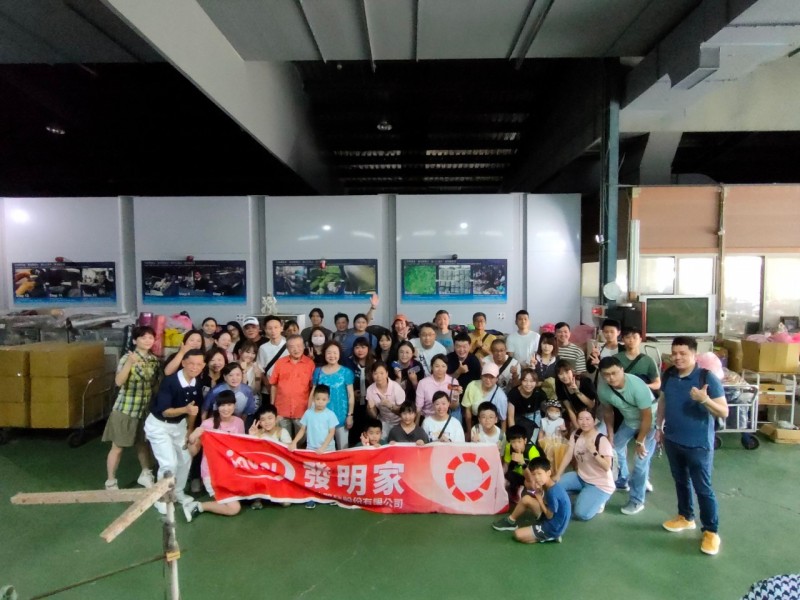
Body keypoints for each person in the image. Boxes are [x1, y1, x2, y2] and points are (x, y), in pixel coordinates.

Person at [656, 336, 727, 556]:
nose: (677, 357)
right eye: (674, 353)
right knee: (680, 481)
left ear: (694, 354)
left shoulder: (706, 377)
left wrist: (704, 400)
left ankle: (711, 531)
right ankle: (686, 516)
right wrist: (659, 427)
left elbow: (724, 411)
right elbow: (663, 401)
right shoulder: (669, 374)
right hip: (672, 439)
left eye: (683, 353)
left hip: (698, 445)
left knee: (703, 488)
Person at [143, 349, 205, 513]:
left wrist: (189, 430)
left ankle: (177, 492)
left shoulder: (197, 383)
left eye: (199, 364)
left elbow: (193, 410)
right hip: (159, 425)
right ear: (183, 363)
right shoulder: (170, 382)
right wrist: (185, 409)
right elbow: (165, 412)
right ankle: (161, 497)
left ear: (203, 366)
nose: (195, 367)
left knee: (185, 458)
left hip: (179, 426)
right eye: (191, 363)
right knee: (169, 463)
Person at [102, 325, 161, 490]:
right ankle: (110, 481)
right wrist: (129, 363)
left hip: (144, 409)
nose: (147, 340)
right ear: (135, 340)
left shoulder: (154, 360)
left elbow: (155, 385)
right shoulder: (126, 358)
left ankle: (145, 474)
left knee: (142, 443)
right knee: (118, 446)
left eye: (150, 337)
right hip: (126, 409)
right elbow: (118, 382)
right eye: (143, 337)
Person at [597, 356, 656, 515]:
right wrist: (610, 434)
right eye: (606, 375)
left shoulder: (637, 385)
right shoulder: (603, 388)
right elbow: (608, 412)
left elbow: (647, 417)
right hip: (630, 421)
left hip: (650, 422)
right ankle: (623, 479)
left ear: (622, 370)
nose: (611, 378)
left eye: (614, 373)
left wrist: (640, 441)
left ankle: (637, 500)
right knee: (613, 449)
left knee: (640, 461)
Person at [183, 390, 244, 521]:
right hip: (212, 473)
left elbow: (241, 449)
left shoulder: (239, 422)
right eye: (222, 405)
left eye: (229, 405)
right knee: (234, 508)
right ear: (217, 406)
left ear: (234, 405)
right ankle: (198, 506)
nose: (226, 408)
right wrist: (192, 438)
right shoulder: (207, 424)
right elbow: (193, 452)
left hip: (231, 472)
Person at [553, 406, 614, 520]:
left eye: (588, 419)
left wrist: (594, 452)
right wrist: (558, 474)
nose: (584, 422)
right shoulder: (576, 434)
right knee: (554, 486)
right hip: (581, 476)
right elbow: (568, 455)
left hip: (599, 484)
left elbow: (607, 467)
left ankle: (599, 499)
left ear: (594, 421)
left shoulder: (601, 440)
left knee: (582, 514)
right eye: (581, 419)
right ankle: (586, 495)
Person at [493, 456, 571, 545]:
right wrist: (539, 491)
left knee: (517, 534)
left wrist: (539, 499)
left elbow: (549, 516)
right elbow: (548, 504)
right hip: (555, 519)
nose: (537, 477)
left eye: (539, 473)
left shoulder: (552, 492)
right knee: (526, 499)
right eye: (534, 474)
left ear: (548, 473)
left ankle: (550, 537)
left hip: (554, 527)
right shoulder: (551, 484)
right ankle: (510, 521)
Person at [289, 384, 338, 508]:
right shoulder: (308, 413)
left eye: (323, 399)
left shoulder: (330, 414)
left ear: (328, 400)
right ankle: (311, 496)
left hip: (328, 449)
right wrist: (294, 442)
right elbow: (302, 430)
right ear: (313, 399)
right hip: (311, 449)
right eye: (318, 399)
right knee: (312, 473)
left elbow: (332, 432)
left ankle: (330, 495)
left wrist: (323, 447)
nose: (320, 402)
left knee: (329, 472)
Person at [270, 334, 315, 440]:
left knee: (302, 440)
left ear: (304, 346)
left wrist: (311, 409)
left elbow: (312, 388)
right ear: (287, 348)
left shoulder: (310, 363)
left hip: (302, 410)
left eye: (299, 346)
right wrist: (272, 406)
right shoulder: (280, 363)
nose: (296, 349)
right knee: (284, 440)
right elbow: (273, 385)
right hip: (282, 410)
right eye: (292, 347)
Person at [312, 341, 354, 449]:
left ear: (339, 354)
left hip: (341, 416)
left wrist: (350, 415)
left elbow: (351, 395)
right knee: (324, 448)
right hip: (322, 417)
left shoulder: (346, 372)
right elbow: (313, 394)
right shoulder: (318, 371)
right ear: (324, 354)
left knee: (343, 448)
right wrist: (311, 414)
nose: (332, 356)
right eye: (329, 353)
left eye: (335, 353)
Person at [461, 362, 508, 433]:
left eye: (491, 377)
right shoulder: (472, 385)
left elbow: (503, 420)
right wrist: (469, 431)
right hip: (475, 425)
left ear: (497, 378)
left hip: (491, 428)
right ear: (481, 376)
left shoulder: (501, 397)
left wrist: (503, 437)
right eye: (485, 376)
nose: (488, 380)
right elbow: (468, 410)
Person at [366, 361, 406, 440]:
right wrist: (370, 409)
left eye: (382, 373)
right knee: (380, 441)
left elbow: (403, 412)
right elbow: (374, 416)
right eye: (375, 373)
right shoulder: (370, 389)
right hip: (383, 421)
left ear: (387, 374)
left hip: (400, 422)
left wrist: (390, 406)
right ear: (372, 375)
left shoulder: (396, 387)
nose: (378, 376)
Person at [500, 425, 541, 503]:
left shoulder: (532, 451)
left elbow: (535, 474)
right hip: (516, 474)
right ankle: (517, 488)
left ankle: (532, 492)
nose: (516, 445)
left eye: (519, 441)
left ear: (525, 440)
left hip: (531, 476)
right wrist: (500, 477)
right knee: (504, 481)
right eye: (513, 442)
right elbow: (506, 465)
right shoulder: (509, 447)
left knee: (532, 486)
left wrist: (522, 462)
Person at [415, 354, 461, 421]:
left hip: (445, 418)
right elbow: (418, 408)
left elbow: (453, 407)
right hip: (428, 418)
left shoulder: (453, 382)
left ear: (447, 367)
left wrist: (456, 397)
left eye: (443, 366)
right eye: (437, 366)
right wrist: (416, 424)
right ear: (431, 367)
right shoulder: (423, 383)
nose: (440, 369)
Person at [554, 359, 597, 428]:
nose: (564, 376)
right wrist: (577, 428)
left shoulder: (585, 381)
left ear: (572, 371)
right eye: (561, 374)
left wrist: (576, 391)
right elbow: (569, 409)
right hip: (576, 415)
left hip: (592, 415)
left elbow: (591, 405)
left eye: (567, 372)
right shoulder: (560, 387)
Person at [506, 368, 546, 441]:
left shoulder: (539, 393)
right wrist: (514, 436)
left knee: (534, 440)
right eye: (525, 380)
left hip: (534, 415)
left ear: (536, 382)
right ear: (521, 381)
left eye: (532, 381)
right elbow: (510, 417)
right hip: (518, 417)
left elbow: (546, 411)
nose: (528, 384)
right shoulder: (513, 393)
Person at [257, 316, 288, 400]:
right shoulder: (263, 348)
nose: (273, 331)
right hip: (268, 389)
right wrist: (266, 384)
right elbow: (260, 368)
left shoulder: (289, 345)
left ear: (281, 328)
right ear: (265, 330)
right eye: (270, 328)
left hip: (286, 388)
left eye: (276, 327)